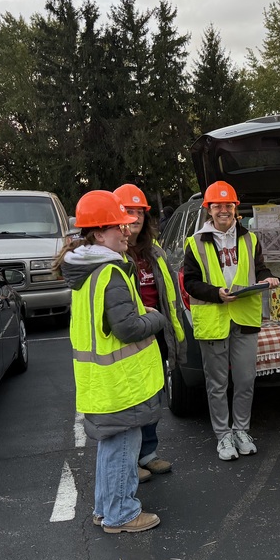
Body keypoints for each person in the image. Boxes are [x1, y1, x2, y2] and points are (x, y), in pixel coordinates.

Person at [56, 190, 166, 534]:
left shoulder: (86, 269)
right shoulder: (110, 272)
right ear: (98, 234)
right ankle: (122, 514)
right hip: (121, 381)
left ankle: (106, 509)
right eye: (119, 225)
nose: (127, 230)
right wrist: (155, 318)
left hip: (100, 380)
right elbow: (127, 327)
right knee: (123, 446)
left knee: (111, 446)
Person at [181, 181, 279, 461]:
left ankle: (241, 430)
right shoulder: (195, 242)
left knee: (246, 379)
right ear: (208, 210)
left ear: (236, 208)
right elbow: (190, 282)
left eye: (228, 205)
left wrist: (268, 277)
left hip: (245, 317)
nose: (223, 210)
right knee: (217, 383)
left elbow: (260, 268)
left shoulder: (250, 238)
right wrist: (216, 294)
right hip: (213, 319)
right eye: (217, 206)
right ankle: (223, 436)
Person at [114, 183, 186, 476]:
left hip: (155, 330)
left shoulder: (153, 251)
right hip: (128, 332)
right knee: (130, 397)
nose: (136, 217)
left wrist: (173, 330)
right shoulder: (114, 252)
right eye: (129, 212)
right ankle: (129, 459)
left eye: (140, 212)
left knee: (153, 394)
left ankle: (148, 453)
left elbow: (168, 294)